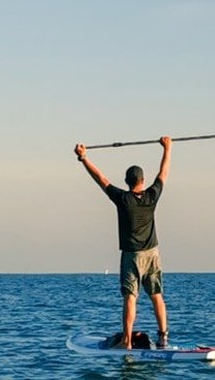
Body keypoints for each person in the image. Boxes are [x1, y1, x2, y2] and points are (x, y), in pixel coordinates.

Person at [74, 136, 172, 349]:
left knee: (130, 297)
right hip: (153, 253)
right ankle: (163, 337)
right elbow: (163, 173)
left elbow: (101, 178)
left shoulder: (122, 199)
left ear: (127, 182)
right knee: (157, 295)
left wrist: (83, 158)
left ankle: (127, 342)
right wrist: (167, 148)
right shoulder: (151, 196)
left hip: (132, 255)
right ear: (142, 181)